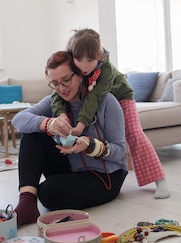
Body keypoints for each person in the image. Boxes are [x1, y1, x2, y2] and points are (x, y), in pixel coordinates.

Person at [11, 51, 129, 226]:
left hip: (105, 177)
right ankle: (26, 202)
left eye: (67, 80)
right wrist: (48, 123)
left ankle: (39, 195)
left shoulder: (106, 101)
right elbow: (18, 120)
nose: (62, 88)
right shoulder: (55, 100)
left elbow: (120, 152)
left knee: (48, 193)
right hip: (71, 168)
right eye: (55, 83)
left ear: (81, 74)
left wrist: (90, 145)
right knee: (32, 132)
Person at [50, 28, 170, 199]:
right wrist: (62, 115)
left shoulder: (105, 70)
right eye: (79, 59)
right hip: (100, 103)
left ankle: (160, 180)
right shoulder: (72, 67)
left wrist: (80, 126)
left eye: (90, 60)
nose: (84, 65)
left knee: (134, 134)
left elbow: (96, 97)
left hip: (121, 98)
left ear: (98, 56)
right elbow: (56, 94)